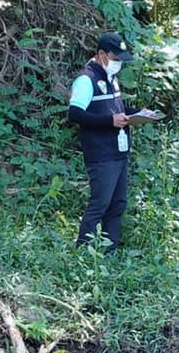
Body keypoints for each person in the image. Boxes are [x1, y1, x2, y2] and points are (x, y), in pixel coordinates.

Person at [66, 32, 158, 251]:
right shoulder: (86, 80)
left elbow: (117, 110)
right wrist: (110, 121)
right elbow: (75, 114)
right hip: (101, 154)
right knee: (100, 204)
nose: (119, 64)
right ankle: (83, 252)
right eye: (116, 59)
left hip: (119, 151)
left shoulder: (111, 79)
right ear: (101, 55)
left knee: (117, 204)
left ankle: (109, 253)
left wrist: (139, 113)